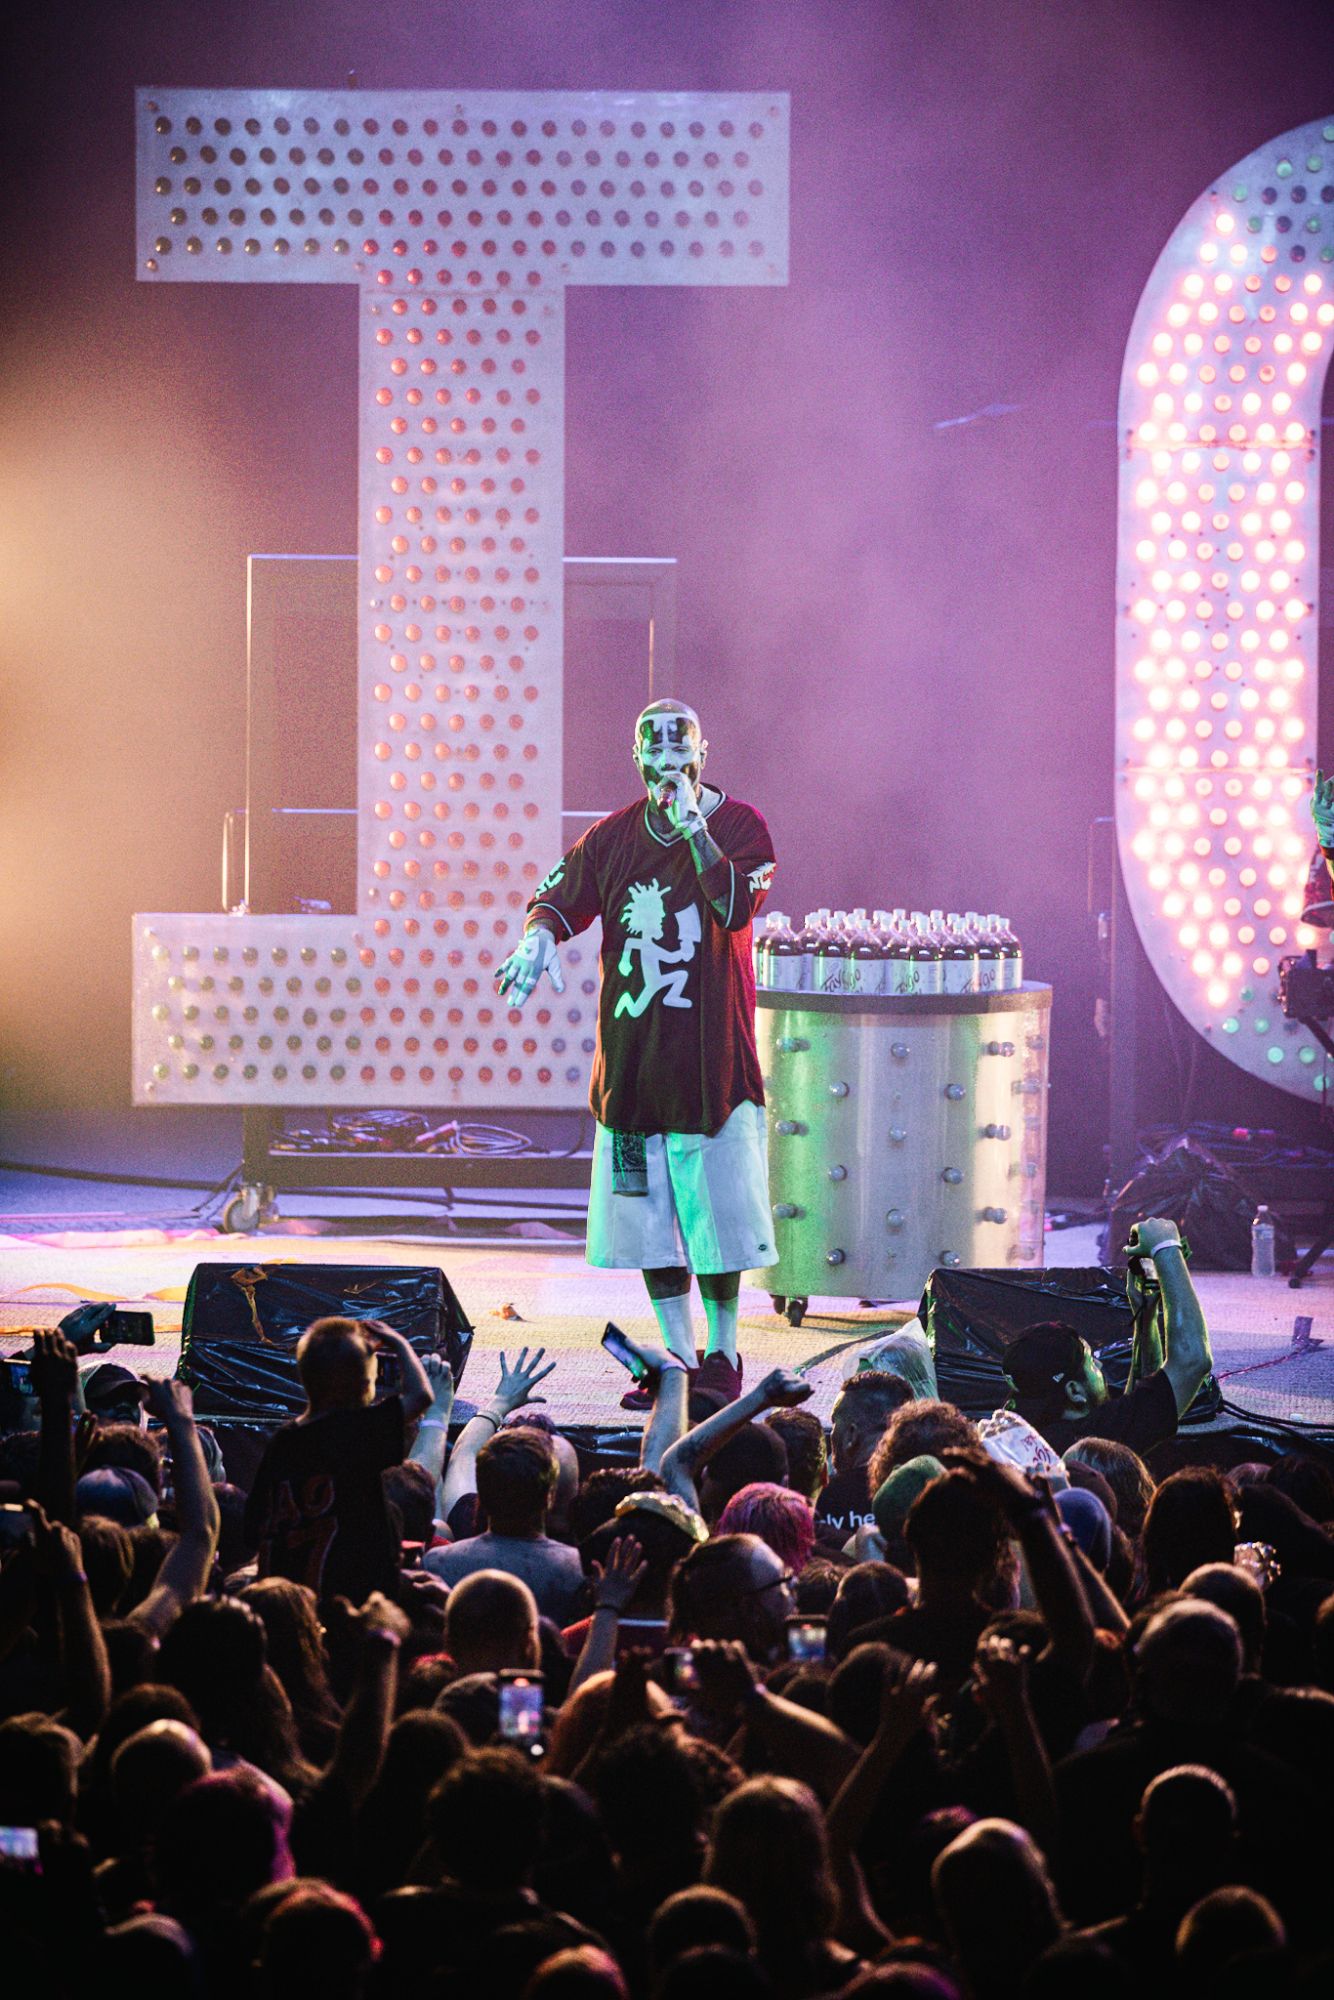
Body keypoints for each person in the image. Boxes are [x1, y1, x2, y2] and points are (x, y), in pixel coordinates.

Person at [495, 698, 777, 1406]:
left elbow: (737, 907)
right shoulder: (612, 837)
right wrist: (537, 938)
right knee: (647, 1226)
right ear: (638, 758)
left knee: (720, 1226)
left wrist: (695, 832)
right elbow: (560, 897)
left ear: (702, 757)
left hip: (712, 1072)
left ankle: (723, 1352)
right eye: (655, 760)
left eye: (680, 760)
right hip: (630, 1076)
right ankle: (675, 1360)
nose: (667, 774)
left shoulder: (742, 826)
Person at [244, 1316, 432, 1606]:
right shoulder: (359, 1431)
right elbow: (421, 1395)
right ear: (366, 1384)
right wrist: (399, 1343)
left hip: (292, 1603)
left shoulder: (284, 1441)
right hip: (353, 1600)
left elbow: (253, 1526)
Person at [1001, 1217, 1211, 1456]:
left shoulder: (1023, 1421)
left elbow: (1135, 1415)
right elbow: (1193, 1360)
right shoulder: (1087, 1443)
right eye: (1091, 1361)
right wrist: (1166, 1246)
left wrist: (1145, 1315)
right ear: (1074, 1392)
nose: (1100, 1364)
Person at [816, 1372, 914, 1541]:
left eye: (835, 1424)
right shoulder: (928, 1490)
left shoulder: (825, 1499)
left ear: (852, 1434)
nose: (832, 1434)